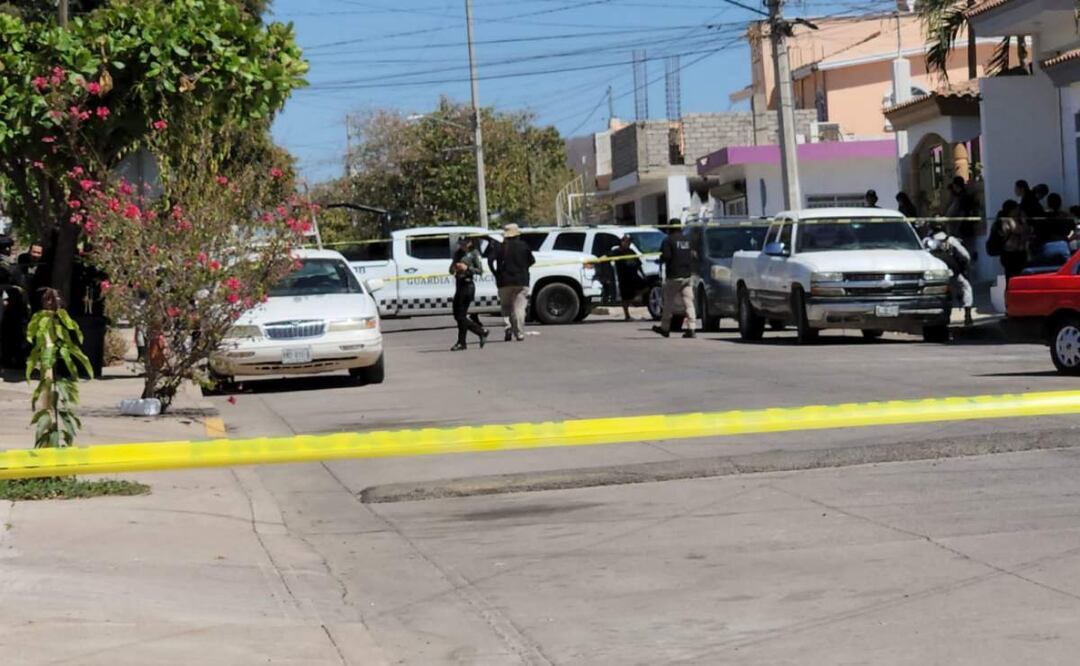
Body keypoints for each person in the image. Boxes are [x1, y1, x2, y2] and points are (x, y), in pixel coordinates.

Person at [923, 222, 974, 327]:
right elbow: (966, 255)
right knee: (966, 288)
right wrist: (964, 267)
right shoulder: (950, 240)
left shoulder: (926, 241)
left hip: (932, 275)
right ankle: (967, 314)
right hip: (952, 273)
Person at [652, 221, 697, 339]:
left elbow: (666, 256)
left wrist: (660, 259)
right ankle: (691, 328)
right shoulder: (687, 240)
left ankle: (665, 328)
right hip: (687, 275)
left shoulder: (668, 240)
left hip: (674, 276)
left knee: (668, 303)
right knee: (689, 302)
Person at [492, 223, 534, 342]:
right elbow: (532, 261)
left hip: (504, 281)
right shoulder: (523, 246)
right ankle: (519, 333)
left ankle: (508, 327)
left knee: (506, 307)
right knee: (519, 308)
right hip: (521, 280)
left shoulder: (499, 247)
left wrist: (496, 272)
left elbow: (490, 260)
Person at [449, 237, 488, 351]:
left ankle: (473, 336)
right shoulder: (458, 254)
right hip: (459, 285)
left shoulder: (474, 254)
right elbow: (451, 270)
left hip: (468, 286)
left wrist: (467, 268)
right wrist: (454, 268)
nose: (462, 246)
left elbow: (480, 271)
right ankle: (474, 336)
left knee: (461, 316)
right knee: (458, 316)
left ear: (469, 242)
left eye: (464, 243)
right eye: (460, 243)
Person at [988, 200, 1028, 282]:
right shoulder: (1007, 221)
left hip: (1013, 255)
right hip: (1012, 255)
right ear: (1011, 210)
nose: (1018, 211)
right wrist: (1024, 221)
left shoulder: (1005, 220)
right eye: (1016, 209)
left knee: (1012, 279)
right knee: (1013, 279)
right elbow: (1020, 230)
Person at [607, 234, 645, 321]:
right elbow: (607, 256)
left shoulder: (631, 251)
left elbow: (638, 264)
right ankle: (627, 315)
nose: (628, 243)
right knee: (625, 297)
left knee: (646, 287)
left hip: (634, 276)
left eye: (629, 241)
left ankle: (635, 298)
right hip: (624, 278)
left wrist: (643, 274)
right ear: (622, 242)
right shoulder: (617, 251)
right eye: (626, 241)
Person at [1029, 192, 1074, 266]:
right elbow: (1072, 230)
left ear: (1048, 203)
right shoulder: (1066, 216)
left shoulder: (1042, 217)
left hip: (1046, 247)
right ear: (1060, 203)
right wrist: (1067, 238)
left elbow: (1037, 232)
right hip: (1063, 246)